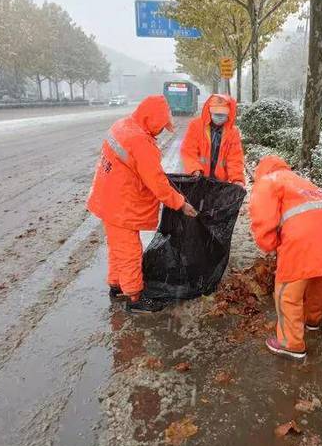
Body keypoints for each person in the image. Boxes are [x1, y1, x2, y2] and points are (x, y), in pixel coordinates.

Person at [87, 95, 198, 313]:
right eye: (160, 125)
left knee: (118, 248)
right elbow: (157, 182)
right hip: (122, 204)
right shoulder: (140, 142)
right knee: (130, 251)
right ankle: (135, 297)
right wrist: (180, 203)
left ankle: (117, 285)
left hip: (108, 198)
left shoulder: (124, 125)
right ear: (153, 119)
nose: (160, 131)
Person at [249, 155, 322, 359]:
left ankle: (291, 343)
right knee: (319, 280)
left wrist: (270, 245)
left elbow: (262, 218)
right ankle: (312, 321)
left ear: (261, 171)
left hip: (304, 238)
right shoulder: (300, 181)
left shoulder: (269, 181)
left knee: (287, 292)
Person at [180, 94, 245, 186]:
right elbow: (188, 150)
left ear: (229, 114)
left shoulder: (232, 132)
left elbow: (235, 158)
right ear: (209, 112)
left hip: (220, 183)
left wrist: (237, 179)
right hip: (197, 179)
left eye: (223, 114)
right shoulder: (196, 126)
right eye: (217, 113)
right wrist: (194, 169)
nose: (219, 116)